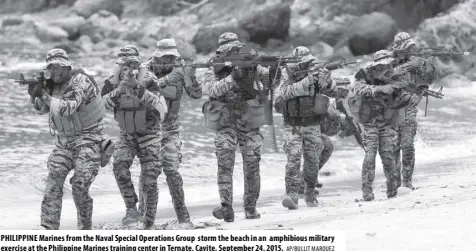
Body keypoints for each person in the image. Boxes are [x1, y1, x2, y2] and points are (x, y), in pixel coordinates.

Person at [29, 48, 113, 230]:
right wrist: (35, 95)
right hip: (64, 142)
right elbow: (42, 110)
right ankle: (48, 228)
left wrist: (44, 95)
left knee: (80, 186)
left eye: (60, 67)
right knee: (54, 178)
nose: (56, 71)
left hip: (89, 139)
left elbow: (66, 108)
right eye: (52, 67)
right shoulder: (50, 83)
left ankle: (85, 229)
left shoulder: (80, 81)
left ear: (68, 67)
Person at [202, 32, 269, 222]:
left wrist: (258, 68)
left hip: (248, 120)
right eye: (229, 50)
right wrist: (232, 77)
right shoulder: (214, 66)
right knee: (225, 163)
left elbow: (266, 84)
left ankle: (250, 208)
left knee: (252, 164)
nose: (233, 52)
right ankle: (226, 207)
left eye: (235, 49)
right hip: (226, 119)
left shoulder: (250, 62)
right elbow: (211, 90)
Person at [101, 45, 167, 229]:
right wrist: (120, 89)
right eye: (124, 64)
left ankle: (149, 222)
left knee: (150, 179)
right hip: (127, 135)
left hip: (150, 134)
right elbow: (102, 105)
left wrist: (137, 88)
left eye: (132, 64)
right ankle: (131, 209)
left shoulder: (150, 79)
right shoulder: (112, 81)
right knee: (119, 165)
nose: (128, 68)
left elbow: (157, 102)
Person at [137, 38, 202, 224]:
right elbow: (140, 92)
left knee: (172, 170)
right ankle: (144, 217)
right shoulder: (145, 69)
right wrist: (169, 78)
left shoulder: (179, 69)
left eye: (172, 57)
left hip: (171, 130)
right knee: (148, 173)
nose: (169, 61)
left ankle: (183, 217)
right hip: (148, 131)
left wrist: (189, 76)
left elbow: (196, 94)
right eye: (165, 57)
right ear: (157, 56)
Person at [274, 46, 337, 210]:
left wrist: (327, 81)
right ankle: (292, 195)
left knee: (313, 160)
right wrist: (306, 81)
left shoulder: (317, 71)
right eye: (304, 62)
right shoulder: (287, 72)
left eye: (309, 61)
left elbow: (332, 92)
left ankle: (309, 193)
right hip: (292, 124)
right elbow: (285, 92)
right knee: (293, 158)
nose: (307, 64)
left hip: (312, 123)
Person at [350, 50, 407, 201]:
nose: (385, 67)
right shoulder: (364, 73)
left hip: (386, 122)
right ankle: (367, 191)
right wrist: (379, 89)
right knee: (370, 156)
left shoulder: (393, 74)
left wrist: (397, 89)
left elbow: (403, 90)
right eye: (382, 65)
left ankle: (392, 190)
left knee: (388, 156)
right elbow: (357, 88)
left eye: (388, 64)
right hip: (368, 122)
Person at [391, 32, 438, 190]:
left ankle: (407, 181)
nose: (411, 49)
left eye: (411, 47)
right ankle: (395, 182)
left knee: (407, 144)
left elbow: (430, 79)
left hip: (409, 108)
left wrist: (427, 63)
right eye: (407, 48)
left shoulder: (417, 62)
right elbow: (385, 74)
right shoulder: (390, 62)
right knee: (393, 146)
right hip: (390, 110)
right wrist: (409, 64)